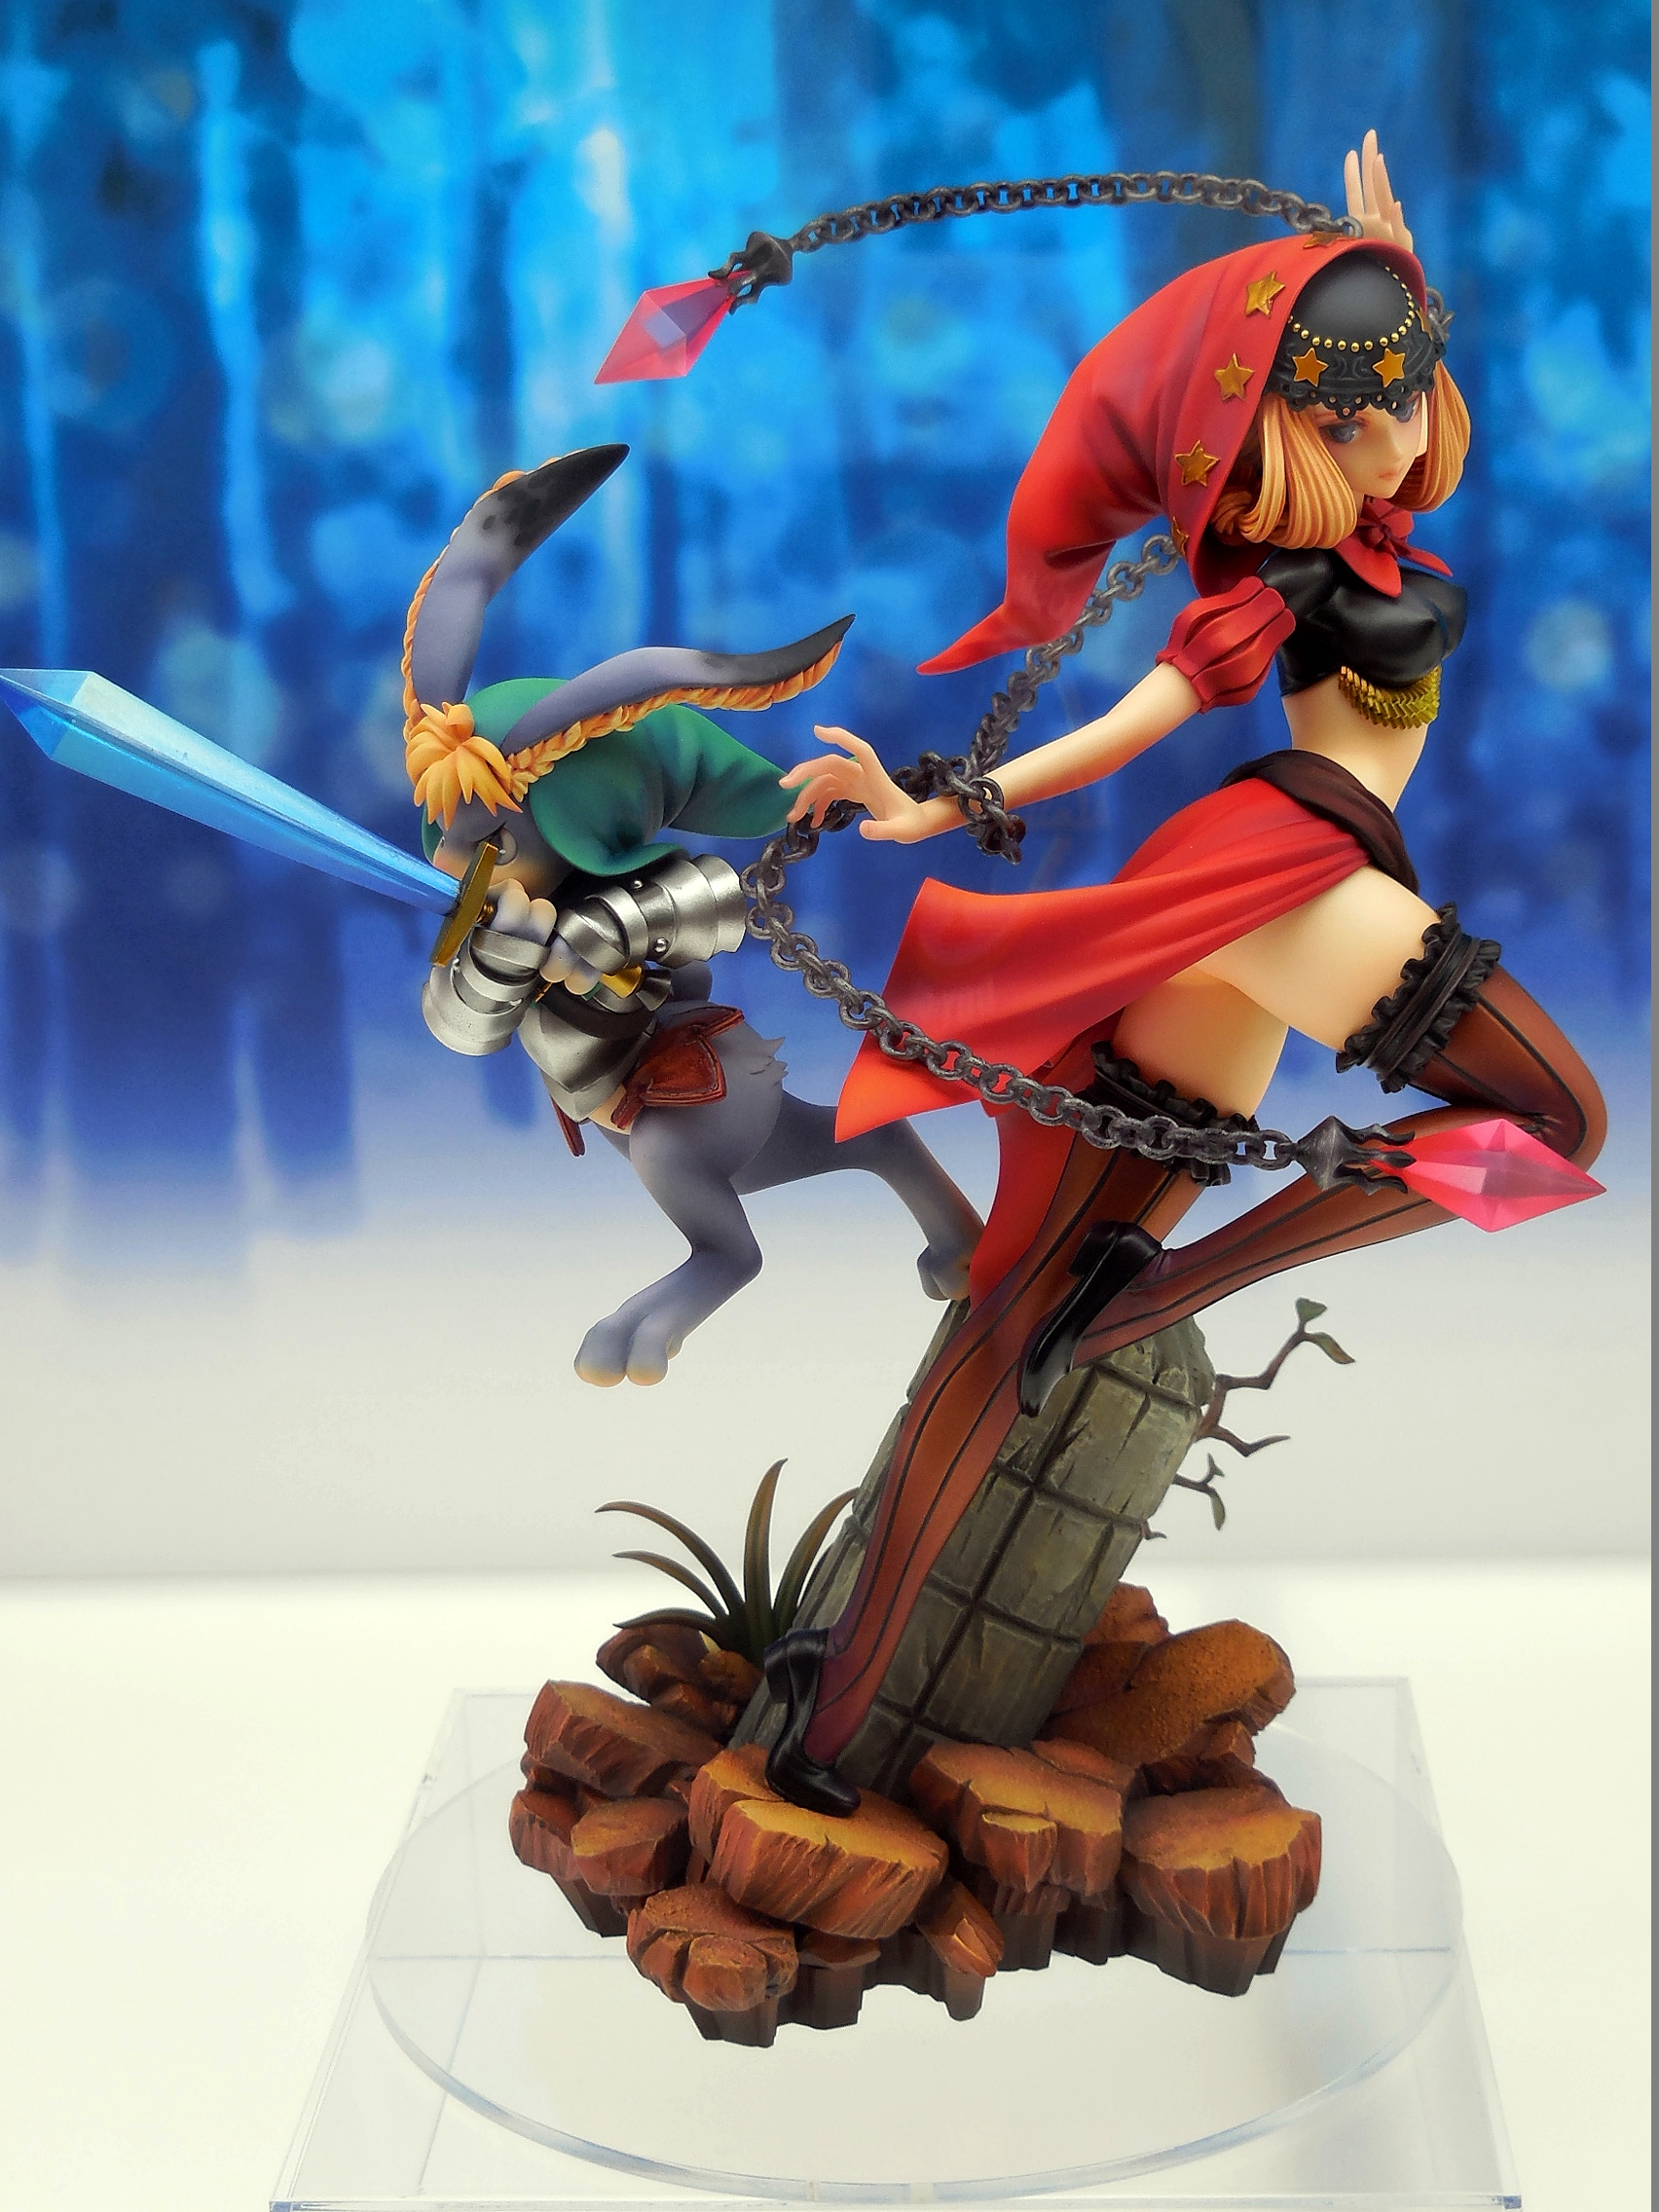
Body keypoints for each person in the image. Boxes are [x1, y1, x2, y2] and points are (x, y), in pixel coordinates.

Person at [761, 135, 1606, 1813]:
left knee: (1018, 1318)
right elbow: (1137, 720)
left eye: (1403, 400)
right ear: (1282, 435)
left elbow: (1411, 431)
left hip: (1289, 884)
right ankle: (1157, 1299)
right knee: (1554, 1122)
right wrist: (941, 802)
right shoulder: (1275, 578)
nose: (1393, 437)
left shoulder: (1379, 524)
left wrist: (1391, 273)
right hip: (1290, 867)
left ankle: (826, 1728)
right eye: (1350, 415)